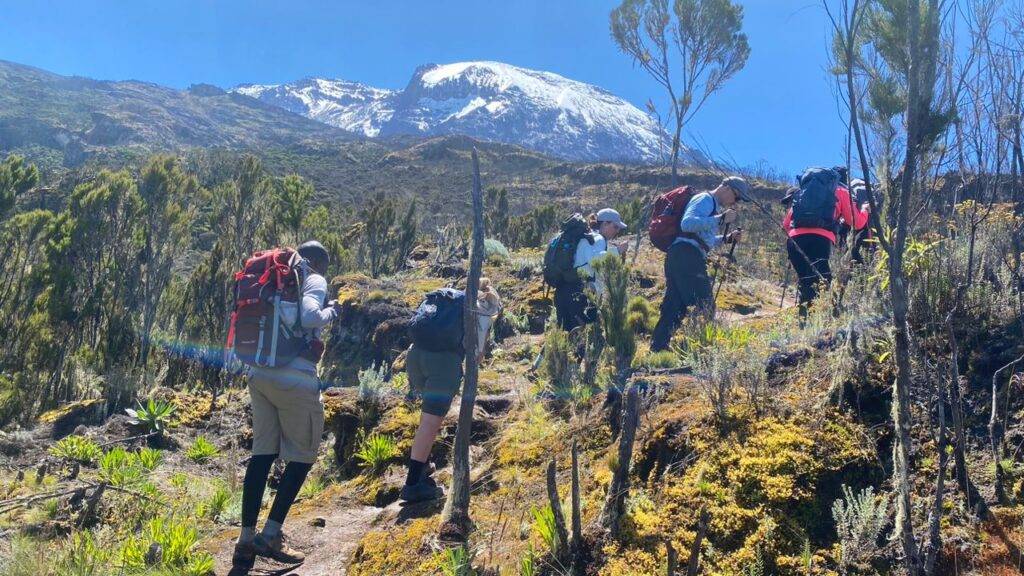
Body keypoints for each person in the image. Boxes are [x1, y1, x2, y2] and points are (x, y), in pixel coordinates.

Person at [233, 240, 339, 567]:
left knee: (262, 454)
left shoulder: (273, 276)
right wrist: (333, 310)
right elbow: (309, 317)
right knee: (304, 455)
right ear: (321, 264)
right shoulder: (314, 278)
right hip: (294, 378)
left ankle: (245, 540)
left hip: (258, 372)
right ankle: (272, 534)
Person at [400, 278, 502, 504]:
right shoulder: (480, 307)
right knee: (430, 423)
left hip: (415, 356)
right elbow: (476, 354)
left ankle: (422, 466)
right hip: (442, 364)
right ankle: (412, 485)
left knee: (426, 420)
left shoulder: (447, 299)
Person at [650, 176, 748, 352]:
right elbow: (687, 224)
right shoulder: (705, 199)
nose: (736, 201)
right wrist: (720, 219)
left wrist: (726, 239)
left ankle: (658, 349)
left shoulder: (711, 204)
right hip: (688, 255)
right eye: (737, 196)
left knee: (675, 305)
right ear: (726, 188)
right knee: (705, 304)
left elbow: (702, 238)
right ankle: (699, 349)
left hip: (680, 254)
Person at [783, 169, 869, 321]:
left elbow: (786, 224)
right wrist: (864, 210)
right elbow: (856, 222)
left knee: (807, 282)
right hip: (820, 240)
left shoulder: (802, 192)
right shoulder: (841, 192)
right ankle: (817, 325)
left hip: (794, 240)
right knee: (822, 283)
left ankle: (804, 324)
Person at [552, 208, 628, 331]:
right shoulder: (597, 238)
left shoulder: (586, 237)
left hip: (564, 289)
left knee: (565, 334)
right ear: (605, 224)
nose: (617, 231)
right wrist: (618, 251)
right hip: (580, 293)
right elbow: (595, 259)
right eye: (615, 227)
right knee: (584, 336)